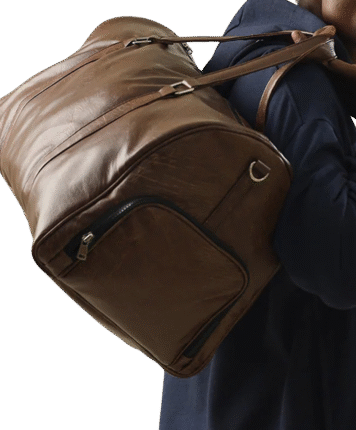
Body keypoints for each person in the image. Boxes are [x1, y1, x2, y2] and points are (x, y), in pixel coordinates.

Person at [158, 0, 356, 429]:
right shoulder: (298, 88)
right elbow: (341, 268)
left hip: (216, 400)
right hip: (283, 406)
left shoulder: (248, 47)